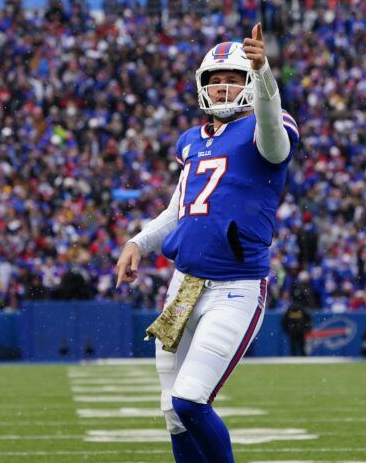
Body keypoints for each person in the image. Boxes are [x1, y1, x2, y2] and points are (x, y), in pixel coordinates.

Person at [115, 23, 299, 463]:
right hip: (183, 285)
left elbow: (274, 141)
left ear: (251, 82)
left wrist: (266, 75)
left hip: (234, 287)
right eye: (215, 79)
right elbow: (179, 209)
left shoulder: (266, 126)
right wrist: (137, 243)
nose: (222, 87)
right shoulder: (193, 141)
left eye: (234, 78)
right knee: (172, 411)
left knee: (191, 400)